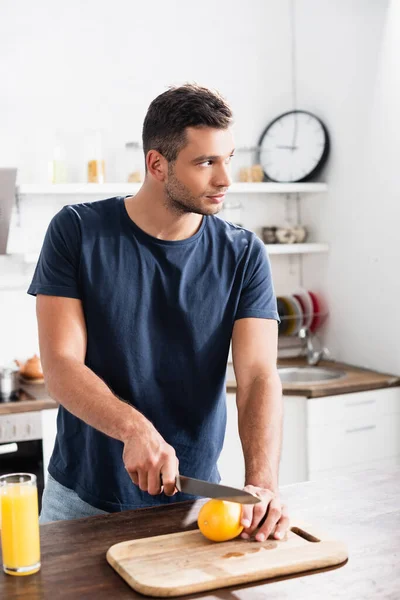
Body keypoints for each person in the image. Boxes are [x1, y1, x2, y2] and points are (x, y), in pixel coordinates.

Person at [28, 83, 289, 542]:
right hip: (80, 504)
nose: (226, 178)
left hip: (197, 510)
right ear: (156, 164)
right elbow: (61, 366)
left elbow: (259, 377)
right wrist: (133, 428)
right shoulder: (76, 232)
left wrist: (261, 487)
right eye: (206, 162)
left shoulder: (244, 254)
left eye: (228, 157)